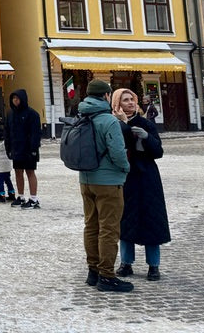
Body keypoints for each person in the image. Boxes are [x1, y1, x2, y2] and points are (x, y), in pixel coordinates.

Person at [78, 79, 133, 292]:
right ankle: (107, 276)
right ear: (106, 96)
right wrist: (125, 168)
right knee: (109, 229)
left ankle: (93, 271)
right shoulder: (108, 121)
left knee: (91, 226)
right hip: (109, 182)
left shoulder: (82, 116)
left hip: (86, 179)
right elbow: (118, 152)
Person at [110, 89, 170, 281]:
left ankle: (154, 265)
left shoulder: (145, 123)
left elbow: (158, 152)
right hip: (126, 177)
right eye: (125, 100)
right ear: (117, 104)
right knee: (126, 221)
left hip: (146, 177)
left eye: (132, 99)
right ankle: (126, 263)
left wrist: (147, 137)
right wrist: (125, 126)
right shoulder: (113, 124)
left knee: (151, 220)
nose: (130, 103)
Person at [5, 88, 42, 209]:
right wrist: (8, 147)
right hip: (16, 148)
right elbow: (7, 131)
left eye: (17, 98)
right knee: (18, 171)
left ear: (23, 99)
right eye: (13, 98)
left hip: (28, 149)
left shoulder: (32, 114)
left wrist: (34, 148)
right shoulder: (10, 114)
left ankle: (33, 198)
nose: (15, 100)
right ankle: (20, 196)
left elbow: (36, 133)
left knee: (30, 172)